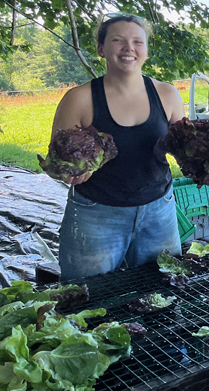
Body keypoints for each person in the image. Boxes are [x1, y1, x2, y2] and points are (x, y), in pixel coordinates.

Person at [47, 14, 186, 280]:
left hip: (159, 210)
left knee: (162, 293)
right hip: (95, 215)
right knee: (89, 300)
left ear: (146, 50)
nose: (129, 48)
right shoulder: (79, 99)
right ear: (101, 49)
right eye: (118, 40)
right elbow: (59, 160)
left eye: (137, 41)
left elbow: (186, 147)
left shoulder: (167, 94)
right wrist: (70, 173)